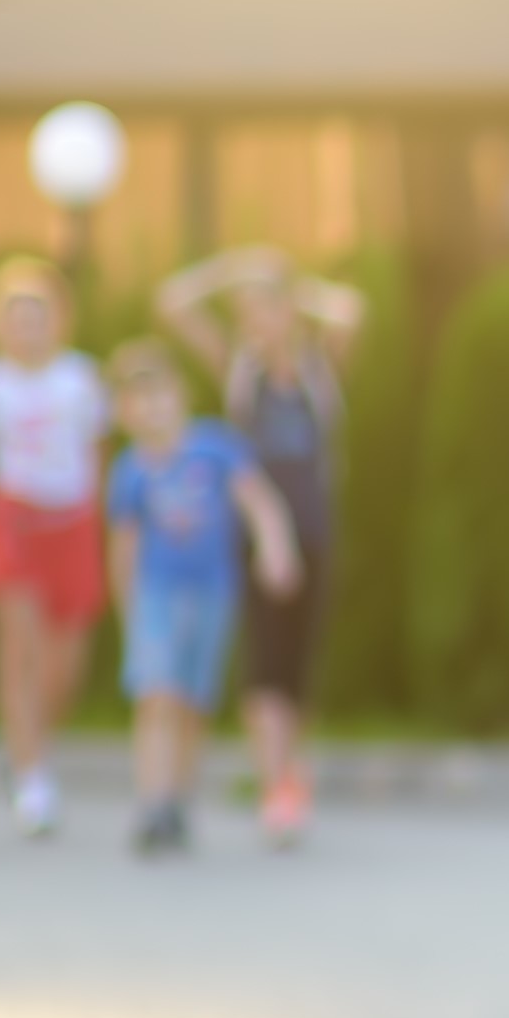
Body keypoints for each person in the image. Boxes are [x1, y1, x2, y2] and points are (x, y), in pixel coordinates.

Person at [155, 247, 360, 844]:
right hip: (251, 541)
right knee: (264, 662)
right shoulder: (237, 370)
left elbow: (352, 312)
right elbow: (173, 302)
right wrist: (230, 271)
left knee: (299, 667)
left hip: (316, 535)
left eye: (268, 308)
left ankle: (291, 775)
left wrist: (292, 286)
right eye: (250, 311)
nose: (258, 321)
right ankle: (277, 786)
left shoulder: (322, 372)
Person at [104, 339, 299, 857]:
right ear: (125, 413)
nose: (152, 408)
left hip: (213, 593)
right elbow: (123, 546)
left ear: (181, 395)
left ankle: (180, 797)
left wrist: (275, 547)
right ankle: (153, 802)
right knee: (157, 695)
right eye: (138, 400)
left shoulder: (214, 447)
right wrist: (128, 611)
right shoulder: (131, 470)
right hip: (156, 595)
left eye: (160, 395)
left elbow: (257, 500)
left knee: (192, 702)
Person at [0, 256, 109, 839]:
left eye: (36, 314)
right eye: (15, 316)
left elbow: (101, 455)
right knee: (20, 651)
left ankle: (36, 745)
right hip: (13, 520)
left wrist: (104, 530)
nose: (26, 327)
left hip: (72, 524)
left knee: (66, 665)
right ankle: (31, 777)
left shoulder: (82, 380)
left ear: (57, 320)